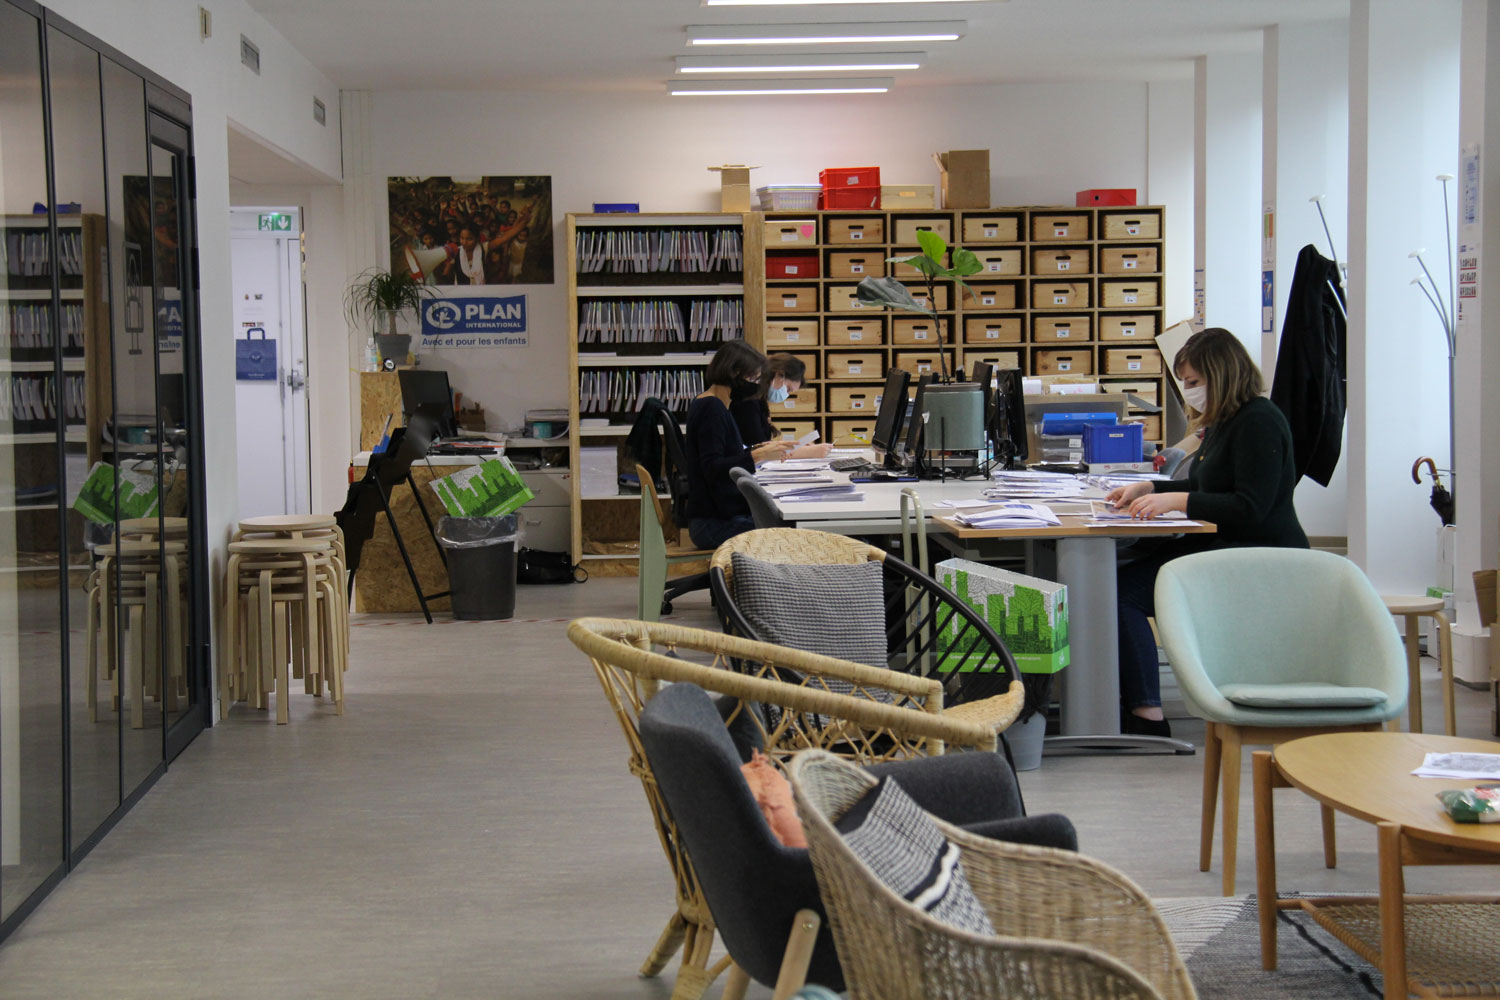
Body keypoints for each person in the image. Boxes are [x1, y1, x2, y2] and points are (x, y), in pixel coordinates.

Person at [1104, 327, 1308, 737]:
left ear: (1222, 374)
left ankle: (1147, 716)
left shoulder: (1259, 422)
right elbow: (1207, 487)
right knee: (1114, 582)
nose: (1190, 392)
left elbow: (1250, 507)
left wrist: (1177, 503)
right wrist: (1152, 488)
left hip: (1256, 555)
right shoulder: (1227, 421)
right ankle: (1131, 701)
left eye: (1194, 383)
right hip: (1223, 545)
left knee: (1120, 595)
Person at [684, 341, 795, 550]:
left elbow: (727, 454)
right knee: (790, 532)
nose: (754, 385)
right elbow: (713, 467)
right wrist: (756, 456)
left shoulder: (717, 404)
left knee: (784, 524)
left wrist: (761, 451)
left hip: (719, 516)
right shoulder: (711, 408)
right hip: (712, 523)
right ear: (734, 373)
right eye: (751, 378)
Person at [729, 353, 834, 459]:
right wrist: (805, 452)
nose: (786, 395)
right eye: (788, 388)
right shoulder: (748, 398)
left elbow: (762, 443)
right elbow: (757, 448)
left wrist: (793, 447)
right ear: (780, 374)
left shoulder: (758, 398)